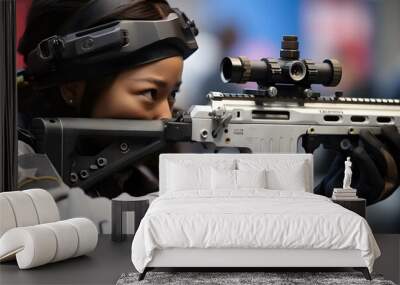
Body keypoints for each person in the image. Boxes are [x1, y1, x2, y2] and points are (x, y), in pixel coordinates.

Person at [17, 0, 198, 198]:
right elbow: (57, 211)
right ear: (72, 89)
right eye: (150, 93)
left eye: (172, 94)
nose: (166, 114)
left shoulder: (143, 169)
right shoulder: (14, 151)